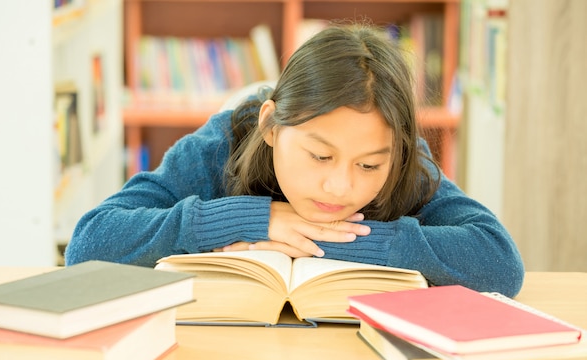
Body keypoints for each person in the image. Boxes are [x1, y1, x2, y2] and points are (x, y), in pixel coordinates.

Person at [65, 23, 524, 297]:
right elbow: (88, 244)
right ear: (271, 126)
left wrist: (322, 238)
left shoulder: (406, 162)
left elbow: (501, 262)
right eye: (320, 155)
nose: (340, 187)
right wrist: (250, 218)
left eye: (368, 166)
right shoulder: (217, 146)